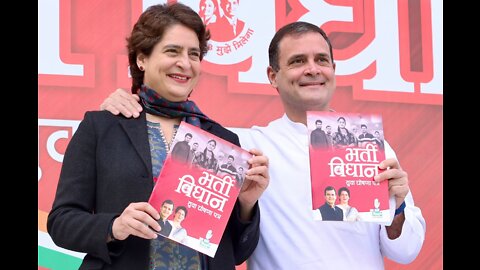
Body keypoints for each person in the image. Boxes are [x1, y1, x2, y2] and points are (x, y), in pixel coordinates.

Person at [100, 21, 426, 269]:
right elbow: (166, 140)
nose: (312, 69)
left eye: (321, 60)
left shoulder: (371, 147)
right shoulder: (246, 145)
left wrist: (395, 205)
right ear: (273, 76)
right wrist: (128, 107)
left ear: (333, 70)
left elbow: (405, 251)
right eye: (298, 61)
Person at [47, 3, 270, 270]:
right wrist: (115, 225)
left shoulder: (223, 141)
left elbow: (235, 253)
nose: (185, 63)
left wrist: (246, 203)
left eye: (194, 54)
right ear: (142, 58)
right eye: (172, 51)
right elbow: (61, 222)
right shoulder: (102, 126)